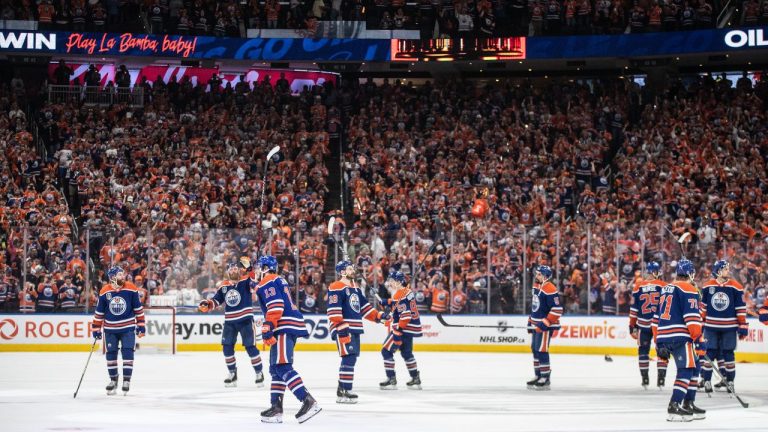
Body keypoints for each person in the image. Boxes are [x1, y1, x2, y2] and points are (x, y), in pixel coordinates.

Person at [255, 256, 321, 424]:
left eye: (258, 267)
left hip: (282, 326)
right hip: (285, 325)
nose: (256, 271)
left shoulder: (268, 280)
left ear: (264, 268)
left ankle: (307, 400)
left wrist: (268, 326)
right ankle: (276, 408)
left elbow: (276, 305)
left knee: (283, 366)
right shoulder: (277, 279)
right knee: (275, 368)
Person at [652, 259, 706, 421]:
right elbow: (691, 318)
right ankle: (674, 405)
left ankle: (688, 403)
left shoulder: (666, 288)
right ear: (690, 273)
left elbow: (656, 317)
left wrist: (658, 341)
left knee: (695, 367)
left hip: (664, 334)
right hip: (680, 337)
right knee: (687, 369)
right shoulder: (688, 288)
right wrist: (699, 340)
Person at [327, 260, 387, 404]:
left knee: (350, 358)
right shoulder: (336, 287)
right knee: (349, 358)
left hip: (354, 328)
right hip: (343, 328)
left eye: (352, 268)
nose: (353, 271)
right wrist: (340, 327)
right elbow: (333, 310)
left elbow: (364, 308)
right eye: (349, 269)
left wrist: (379, 316)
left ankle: (342, 389)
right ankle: (346, 390)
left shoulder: (355, 288)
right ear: (342, 272)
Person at [198, 259, 264, 388]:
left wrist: (250, 267)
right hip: (230, 321)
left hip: (245, 319)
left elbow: (255, 280)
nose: (234, 270)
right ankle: (232, 373)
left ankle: (259, 372)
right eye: (231, 269)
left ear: (239, 270)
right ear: (228, 272)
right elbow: (216, 300)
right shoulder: (223, 286)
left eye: (235, 268)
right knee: (227, 347)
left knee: (250, 347)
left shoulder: (245, 281)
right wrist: (208, 304)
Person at [91, 266, 146, 395]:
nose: (123, 277)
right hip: (110, 329)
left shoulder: (131, 288)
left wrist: (141, 325)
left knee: (128, 352)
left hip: (127, 328)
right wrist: (96, 328)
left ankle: (126, 380)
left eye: (123, 274)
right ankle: (113, 380)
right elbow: (99, 312)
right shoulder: (104, 291)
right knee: (111, 354)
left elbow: (138, 309)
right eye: (120, 275)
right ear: (112, 277)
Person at [699, 260, 747, 393]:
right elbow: (703, 308)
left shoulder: (736, 287)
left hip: (729, 327)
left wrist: (742, 324)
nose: (728, 271)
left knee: (728, 354)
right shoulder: (708, 286)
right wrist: (700, 323)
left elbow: (740, 308)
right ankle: (707, 380)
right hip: (711, 327)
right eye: (725, 269)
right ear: (719, 271)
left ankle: (730, 381)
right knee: (709, 353)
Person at [629, 261, 669, 388]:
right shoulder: (663, 285)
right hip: (660, 325)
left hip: (643, 325)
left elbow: (634, 309)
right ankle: (661, 379)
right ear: (654, 272)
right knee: (662, 350)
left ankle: (645, 378)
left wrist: (632, 326)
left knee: (643, 351)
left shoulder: (638, 287)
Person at [379, 271, 422, 390]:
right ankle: (415, 378)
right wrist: (387, 302)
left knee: (386, 351)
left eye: (392, 281)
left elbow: (406, 315)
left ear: (398, 282)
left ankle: (391, 378)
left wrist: (398, 331)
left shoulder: (399, 294)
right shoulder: (407, 292)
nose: (389, 283)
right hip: (409, 329)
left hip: (402, 329)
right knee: (406, 353)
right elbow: (398, 305)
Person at [526, 265, 563, 390]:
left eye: (539, 274)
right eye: (536, 274)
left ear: (545, 276)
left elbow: (557, 310)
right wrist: (530, 320)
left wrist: (545, 323)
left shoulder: (550, 288)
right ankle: (538, 375)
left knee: (541, 350)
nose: (536, 276)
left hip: (545, 326)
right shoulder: (536, 286)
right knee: (535, 349)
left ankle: (545, 377)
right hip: (536, 324)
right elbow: (535, 306)